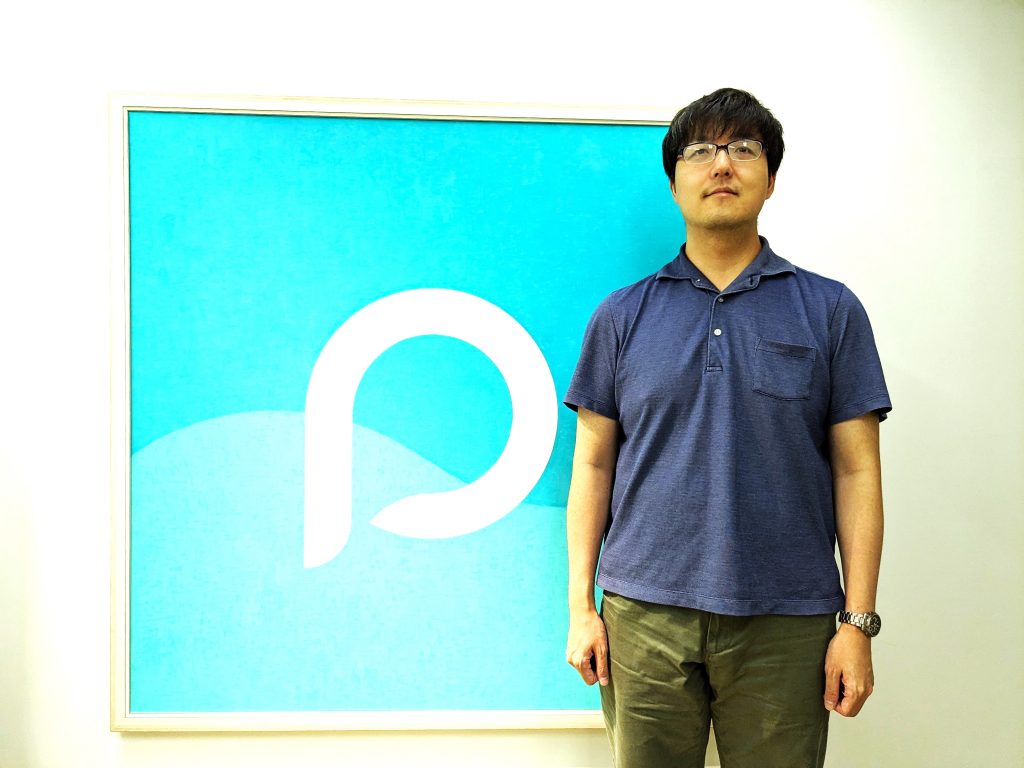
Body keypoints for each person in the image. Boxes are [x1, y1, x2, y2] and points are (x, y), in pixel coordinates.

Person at [563, 88, 891, 768]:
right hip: (643, 616)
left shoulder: (831, 311)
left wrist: (857, 624)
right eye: (700, 151)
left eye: (743, 149)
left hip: (788, 619)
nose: (721, 165)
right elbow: (592, 465)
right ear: (673, 181)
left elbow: (857, 469)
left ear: (770, 179)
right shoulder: (621, 317)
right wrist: (580, 608)